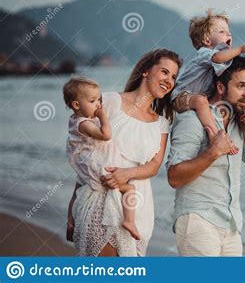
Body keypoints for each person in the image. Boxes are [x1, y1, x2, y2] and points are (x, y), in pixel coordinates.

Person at [66, 49, 181, 256]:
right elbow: (87, 153)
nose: (169, 80)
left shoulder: (162, 124)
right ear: (146, 71)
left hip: (138, 209)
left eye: (173, 76)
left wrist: (126, 174)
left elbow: (154, 166)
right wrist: (71, 209)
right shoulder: (108, 102)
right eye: (164, 72)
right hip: (100, 203)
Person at [167, 56, 245, 256]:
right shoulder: (192, 119)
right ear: (221, 87)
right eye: (241, 86)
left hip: (231, 224)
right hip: (197, 219)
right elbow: (174, 177)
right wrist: (214, 151)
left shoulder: (236, 122)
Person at [172, 9, 245, 154]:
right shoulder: (205, 53)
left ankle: (236, 134)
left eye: (229, 32)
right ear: (207, 40)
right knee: (201, 101)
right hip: (180, 95)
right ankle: (214, 136)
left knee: (210, 104)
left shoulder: (220, 60)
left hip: (195, 97)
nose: (228, 34)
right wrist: (241, 49)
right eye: (222, 32)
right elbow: (218, 57)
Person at [64, 76, 141, 241]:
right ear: (76, 105)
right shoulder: (84, 123)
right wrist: (102, 115)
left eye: (99, 99)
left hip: (87, 163)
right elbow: (105, 135)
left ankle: (70, 222)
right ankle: (129, 221)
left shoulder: (74, 120)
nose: (98, 104)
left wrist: (96, 111)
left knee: (77, 191)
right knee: (129, 189)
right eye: (93, 101)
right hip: (96, 165)